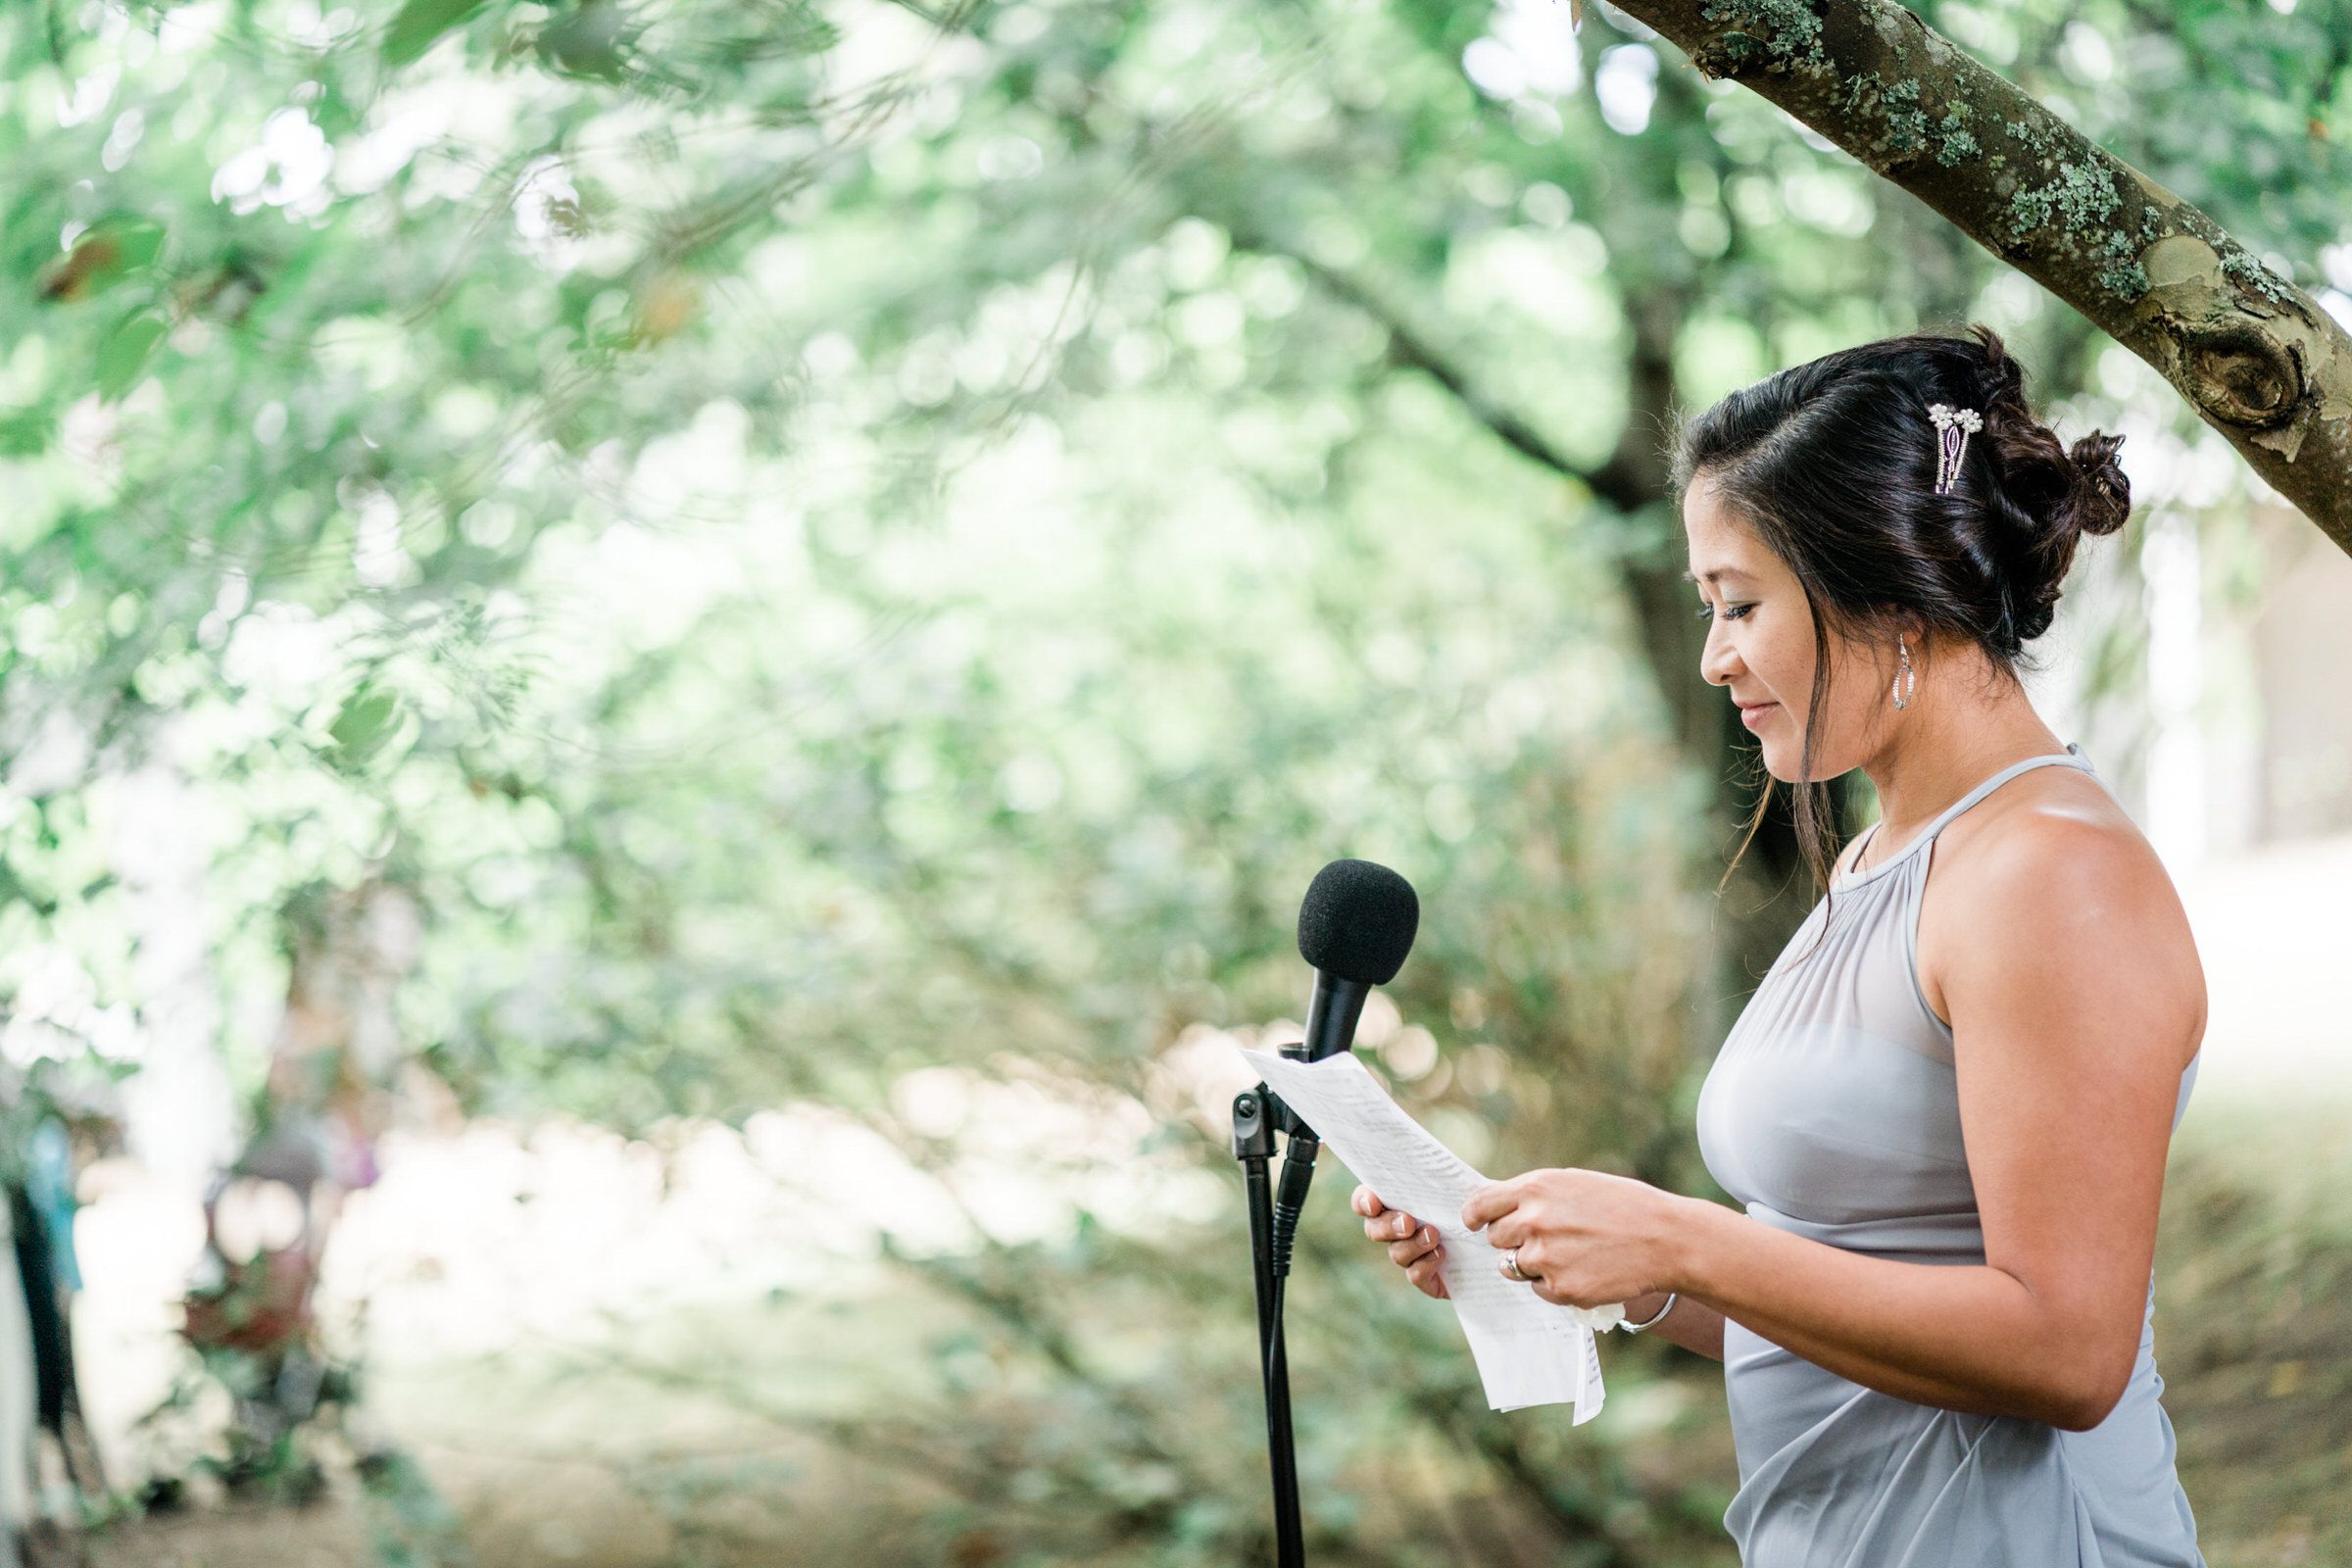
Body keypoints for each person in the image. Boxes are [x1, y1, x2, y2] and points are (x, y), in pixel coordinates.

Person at [1352, 323, 2207, 1566]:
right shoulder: (1881, 857)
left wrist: (1685, 1235)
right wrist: (1610, 1265)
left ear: (1886, 589)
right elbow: (1846, 1291)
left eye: (1740, 604)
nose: (1715, 657)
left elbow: (2068, 1351)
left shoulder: (2051, 877)